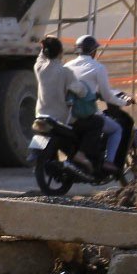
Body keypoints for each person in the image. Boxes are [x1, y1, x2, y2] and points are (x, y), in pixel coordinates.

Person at [34, 36, 108, 173]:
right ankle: (81, 153)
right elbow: (80, 90)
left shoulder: (39, 68)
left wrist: (45, 44)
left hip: (41, 115)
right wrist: (91, 94)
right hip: (61, 118)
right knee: (96, 122)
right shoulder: (65, 72)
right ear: (60, 53)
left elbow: (42, 55)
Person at [67, 34, 132, 171]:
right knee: (116, 129)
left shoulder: (67, 66)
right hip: (85, 113)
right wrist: (124, 102)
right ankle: (108, 162)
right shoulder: (98, 68)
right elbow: (107, 96)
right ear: (93, 51)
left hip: (66, 115)